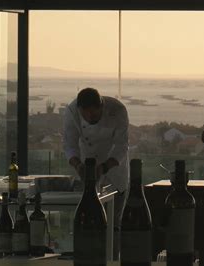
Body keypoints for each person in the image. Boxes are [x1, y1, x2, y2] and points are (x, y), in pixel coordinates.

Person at [63, 87, 129, 257]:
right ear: (80, 110)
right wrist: (78, 165)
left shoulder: (118, 110)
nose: (90, 117)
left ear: (102, 106)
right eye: (86, 114)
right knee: (90, 225)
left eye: (94, 113)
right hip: (88, 170)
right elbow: (69, 146)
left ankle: (113, 259)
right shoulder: (71, 112)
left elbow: (121, 147)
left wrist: (105, 167)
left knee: (114, 225)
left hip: (115, 172)